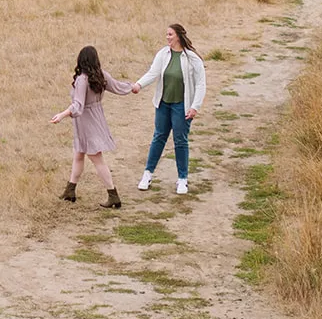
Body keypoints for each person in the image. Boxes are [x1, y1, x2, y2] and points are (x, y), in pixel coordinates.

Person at [49, 45, 133, 208]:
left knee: (97, 159)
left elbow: (78, 105)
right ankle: (70, 191)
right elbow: (118, 87)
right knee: (79, 155)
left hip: (86, 122)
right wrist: (133, 86)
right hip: (95, 119)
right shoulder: (101, 76)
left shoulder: (82, 79)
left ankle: (113, 195)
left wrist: (62, 114)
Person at [129, 23, 206, 195]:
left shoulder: (192, 58)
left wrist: (195, 106)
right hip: (163, 103)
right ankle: (147, 174)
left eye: (170, 34)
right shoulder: (163, 54)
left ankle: (182, 179)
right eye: (167, 35)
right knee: (159, 137)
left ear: (178, 36)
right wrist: (138, 85)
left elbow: (201, 84)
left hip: (182, 105)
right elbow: (153, 73)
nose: (168, 37)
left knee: (180, 141)